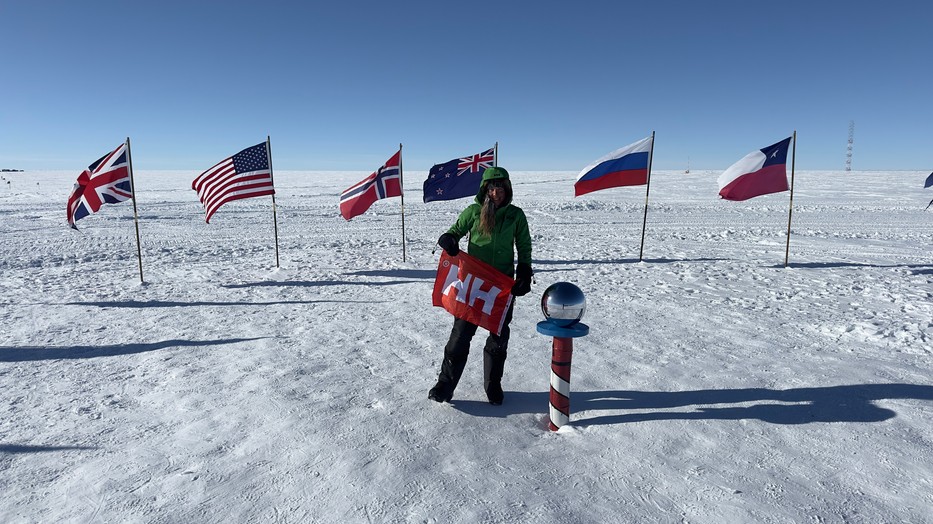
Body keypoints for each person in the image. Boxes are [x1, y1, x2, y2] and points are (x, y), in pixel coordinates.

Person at [429, 166, 533, 405]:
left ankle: (493, 385)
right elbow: (455, 231)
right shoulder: (474, 211)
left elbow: (524, 246)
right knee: (460, 336)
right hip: (474, 283)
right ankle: (445, 384)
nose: (497, 192)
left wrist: (525, 272)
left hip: (501, 287)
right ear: (485, 190)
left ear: (508, 188)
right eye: (492, 187)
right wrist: (449, 239)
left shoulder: (516, 215)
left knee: (498, 338)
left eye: (501, 187)